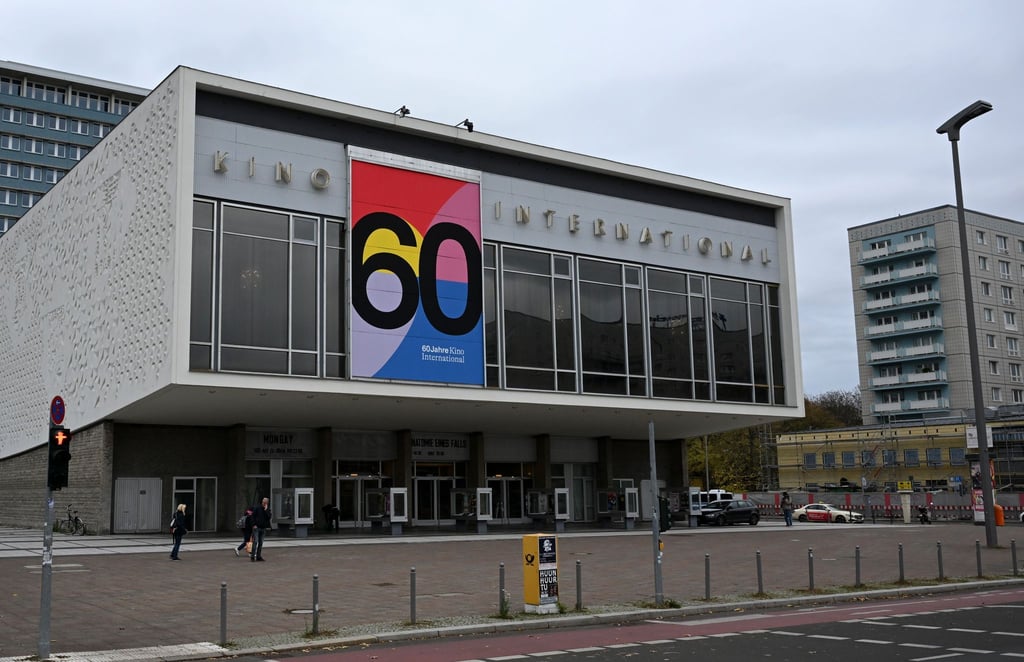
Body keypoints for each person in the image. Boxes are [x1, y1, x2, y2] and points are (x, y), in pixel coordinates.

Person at [250, 497, 271, 562]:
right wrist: (254, 525)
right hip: (257, 528)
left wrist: (266, 510)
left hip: (263, 528)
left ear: (267, 503)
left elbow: (269, 517)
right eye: (263, 502)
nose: (264, 503)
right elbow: (252, 516)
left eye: (265, 503)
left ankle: (258, 556)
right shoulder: (257, 508)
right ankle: (253, 556)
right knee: (255, 541)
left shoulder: (267, 510)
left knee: (261, 543)